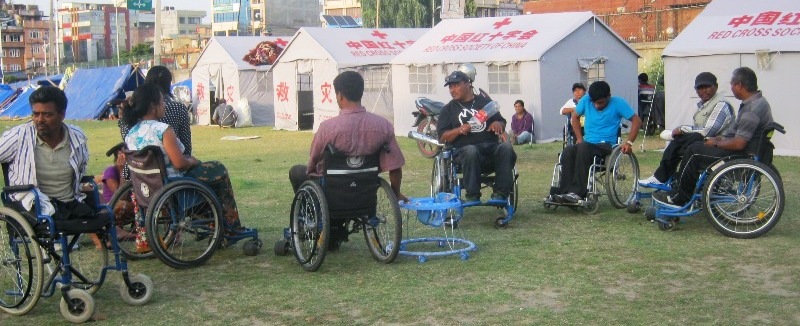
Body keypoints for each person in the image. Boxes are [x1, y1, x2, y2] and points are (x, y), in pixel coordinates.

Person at [288, 71, 406, 249]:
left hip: (333, 191)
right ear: (361, 92)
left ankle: (321, 222)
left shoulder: (327, 128)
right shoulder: (383, 126)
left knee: (297, 172)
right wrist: (396, 193)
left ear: (339, 95)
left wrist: (314, 172)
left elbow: (313, 164)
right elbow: (395, 167)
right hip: (365, 191)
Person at [122, 83, 247, 238]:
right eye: (162, 102)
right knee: (218, 170)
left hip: (147, 187)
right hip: (173, 184)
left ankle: (213, 223)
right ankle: (229, 225)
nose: (165, 106)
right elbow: (179, 164)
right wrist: (193, 161)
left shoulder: (131, 133)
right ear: (153, 105)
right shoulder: (163, 130)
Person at [653, 67, 774, 208]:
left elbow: (739, 143)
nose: (731, 88)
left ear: (739, 85)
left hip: (740, 154)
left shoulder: (752, 109)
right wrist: (719, 139)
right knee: (696, 144)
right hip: (747, 150)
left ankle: (680, 197)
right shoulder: (757, 102)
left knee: (693, 150)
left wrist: (716, 143)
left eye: (732, 84)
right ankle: (676, 185)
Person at [0, 86, 92, 221]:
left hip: (69, 203)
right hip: (34, 204)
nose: (39, 120)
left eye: (47, 114)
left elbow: (81, 169)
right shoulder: (19, 136)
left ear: (62, 115)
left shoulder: (77, 137)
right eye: (36, 114)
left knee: (103, 217)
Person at [548, 81, 641, 203]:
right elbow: (575, 117)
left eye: (600, 102)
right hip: (587, 143)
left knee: (583, 148)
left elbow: (637, 120)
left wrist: (629, 143)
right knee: (569, 150)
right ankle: (564, 192)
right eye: (594, 102)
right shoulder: (586, 100)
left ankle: (577, 194)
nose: (597, 106)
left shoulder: (618, 103)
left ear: (609, 96)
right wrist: (579, 138)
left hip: (606, 145)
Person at [639, 72, 735, 186]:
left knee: (687, 138)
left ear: (716, 86)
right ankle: (669, 177)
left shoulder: (721, 104)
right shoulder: (705, 105)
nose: (703, 91)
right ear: (695, 90)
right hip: (710, 143)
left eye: (707, 87)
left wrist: (682, 129)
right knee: (681, 141)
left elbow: (707, 131)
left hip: (720, 146)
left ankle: (664, 178)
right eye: (700, 88)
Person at [436, 70, 516, 203]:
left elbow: (502, 122)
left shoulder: (485, 103)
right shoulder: (448, 109)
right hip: (464, 154)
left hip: (490, 150)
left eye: (456, 85)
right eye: (450, 87)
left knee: (506, 148)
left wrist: (498, 123)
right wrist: (459, 130)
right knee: (471, 150)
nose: (452, 90)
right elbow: (442, 137)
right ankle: (472, 195)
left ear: (468, 84)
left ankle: (500, 194)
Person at [120, 65, 191, 158]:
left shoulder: (136, 110)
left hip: (137, 167)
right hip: (169, 166)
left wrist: (122, 117)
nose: (164, 106)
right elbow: (186, 149)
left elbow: (127, 141)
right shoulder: (177, 110)